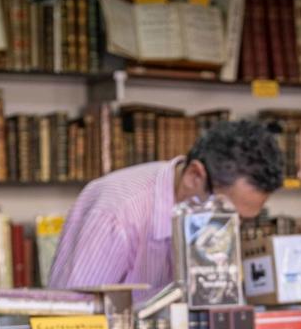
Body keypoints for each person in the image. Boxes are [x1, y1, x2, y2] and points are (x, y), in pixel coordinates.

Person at [47, 120, 284, 300]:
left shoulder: (206, 212)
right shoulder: (118, 211)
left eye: (244, 221)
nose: (233, 229)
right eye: (229, 215)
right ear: (194, 176)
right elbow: (76, 320)